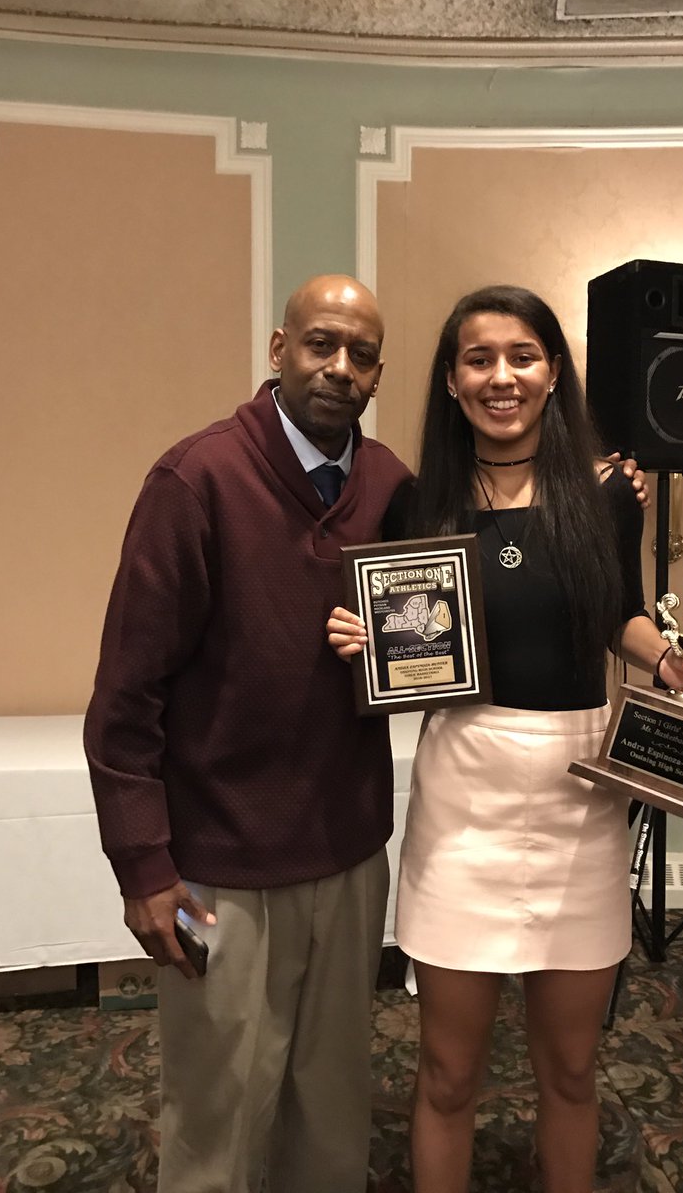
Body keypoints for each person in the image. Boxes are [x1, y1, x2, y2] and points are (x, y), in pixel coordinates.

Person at [327, 285, 683, 1193]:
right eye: (479, 359)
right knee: (447, 1077)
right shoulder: (414, 501)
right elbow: (400, 639)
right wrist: (365, 642)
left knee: (573, 1073)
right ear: (451, 378)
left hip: (580, 792)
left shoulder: (605, 493)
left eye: (522, 356)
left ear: (553, 374)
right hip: (463, 795)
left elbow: (616, 615)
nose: (500, 376)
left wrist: (669, 663)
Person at [84, 274, 413, 1193]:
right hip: (216, 869)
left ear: (378, 375)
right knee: (220, 1105)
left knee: (333, 1098)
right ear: (279, 350)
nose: (338, 369)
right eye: (321, 345)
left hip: (348, 855)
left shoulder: (391, 487)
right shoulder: (196, 480)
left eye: (360, 355)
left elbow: (453, 620)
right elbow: (125, 696)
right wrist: (144, 868)